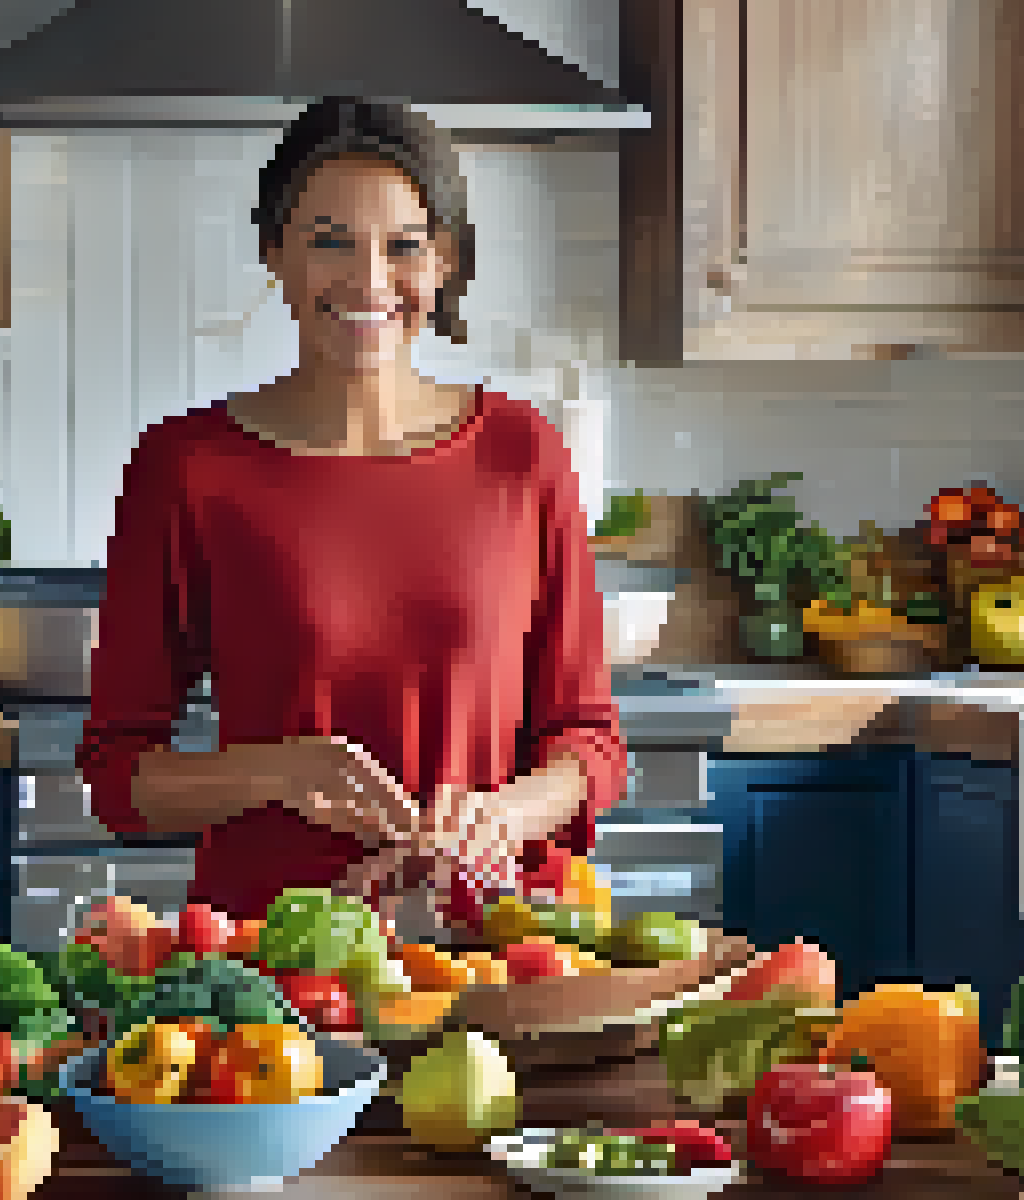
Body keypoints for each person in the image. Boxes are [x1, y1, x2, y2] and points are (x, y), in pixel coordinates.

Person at [77, 97, 626, 934]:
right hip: (275, 968)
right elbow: (121, 775)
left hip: (489, 949)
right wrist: (280, 772)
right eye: (329, 242)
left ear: (442, 261)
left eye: (403, 247)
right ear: (276, 254)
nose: (369, 282)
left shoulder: (523, 454)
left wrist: (502, 817)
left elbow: (588, 742)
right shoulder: (187, 468)